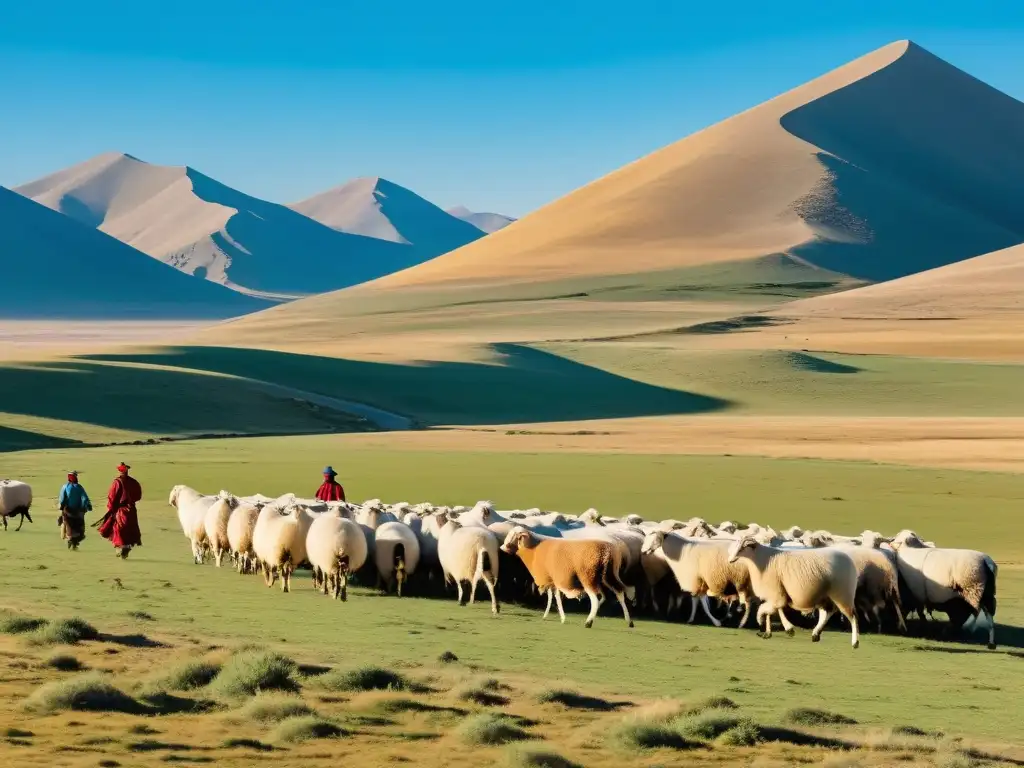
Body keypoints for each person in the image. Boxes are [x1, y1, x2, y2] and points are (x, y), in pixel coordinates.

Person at [96, 462, 143, 559]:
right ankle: (125, 548)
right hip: (132, 510)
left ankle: (121, 548)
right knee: (129, 529)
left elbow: (112, 497)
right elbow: (138, 496)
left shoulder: (117, 482)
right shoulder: (134, 482)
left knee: (118, 529)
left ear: (119, 470)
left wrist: (111, 509)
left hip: (121, 511)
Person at [57, 471, 92, 549]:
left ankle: (68, 538)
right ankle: (78, 539)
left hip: (68, 511)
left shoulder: (65, 487)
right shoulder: (79, 487)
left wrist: (62, 507)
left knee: (65, 523)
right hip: (78, 511)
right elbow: (85, 498)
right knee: (80, 525)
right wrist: (87, 506)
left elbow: (62, 499)